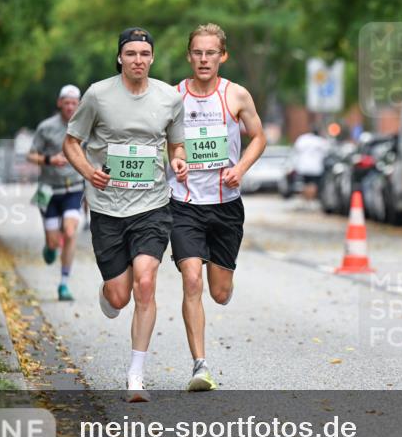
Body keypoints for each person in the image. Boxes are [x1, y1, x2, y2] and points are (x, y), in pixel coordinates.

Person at [63, 27, 187, 402]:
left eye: (144, 54)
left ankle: (136, 375)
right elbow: (71, 143)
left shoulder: (169, 98)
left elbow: (176, 146)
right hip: (108, 207)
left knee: (145, 283)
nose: (138, 60)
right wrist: (89, 172)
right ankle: (108, 293)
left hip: (152, 206)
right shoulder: (98, 95)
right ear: (120, 57)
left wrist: (178, 162)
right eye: (131, 53)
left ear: (152, 58)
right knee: (119, 297)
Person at [167, 23, 266, 391]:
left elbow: (259, 137)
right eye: (198, 52)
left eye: (211, 53)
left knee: (219, 293)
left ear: (223, 56)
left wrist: (240, 169)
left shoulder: (236, 95)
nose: (204, 59)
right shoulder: (174, 96)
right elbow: (168, 141)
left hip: (226, 206)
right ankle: (200, 366)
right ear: (189, 56)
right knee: (191, 279)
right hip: (185, 203)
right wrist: (176, 158)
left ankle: (221, 274)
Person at [28, 85, 85, 301]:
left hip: (73, 189)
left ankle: (63, 284)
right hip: (49, 191)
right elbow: (31, 155)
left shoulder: (84, 126)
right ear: (59, 103)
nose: (70, 107)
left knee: (70, 232)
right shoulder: (46, 127)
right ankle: (51, 247)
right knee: (53, 243)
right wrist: (49, 160)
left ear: (79, 104)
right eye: (66, 102)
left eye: (74, 103)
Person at [291, 128, 329, 202]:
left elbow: (296, 149)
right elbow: (326, 152)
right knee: (314, 185)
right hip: (316, 167)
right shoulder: (320, 141)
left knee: (305, 184)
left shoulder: (303, 139)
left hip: (304, 166)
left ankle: (307, 200)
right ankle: (311, 199)